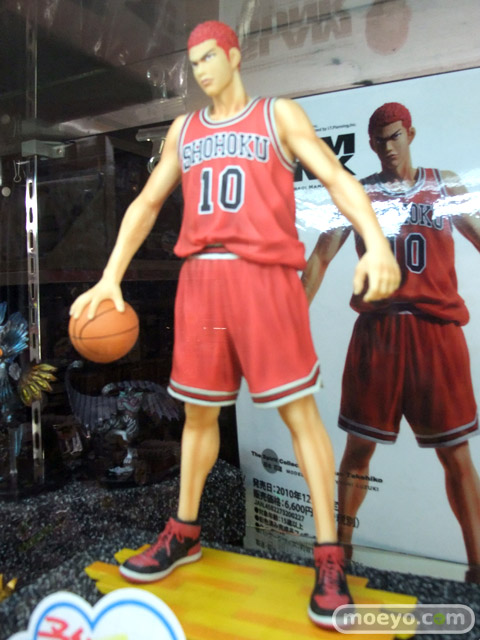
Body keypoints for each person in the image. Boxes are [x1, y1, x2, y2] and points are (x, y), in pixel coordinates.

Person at [70, 22, 400, 627]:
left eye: (208, 58)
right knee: (199, 413)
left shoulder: (278, 115)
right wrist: (110, 276)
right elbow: (147, 202)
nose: (200, 70)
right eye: (193, 62)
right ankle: (184, 530)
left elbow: (336, 177)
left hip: (265, 278)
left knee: (299, 413)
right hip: (202, 281)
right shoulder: (184, 129)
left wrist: (376, 243)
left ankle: (330, 556)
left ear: (234, 56)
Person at [302, 102, 480, 578]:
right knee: (358, 449)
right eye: (380, 140)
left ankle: (478, 568)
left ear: (411, 134)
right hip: (378, 334)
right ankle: (339, 555)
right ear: (370, 144)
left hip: (435, 331)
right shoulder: (357, 193)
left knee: (455, 454)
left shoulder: (444, 184)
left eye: (395, 136)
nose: (388, 147)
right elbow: (320, 258)